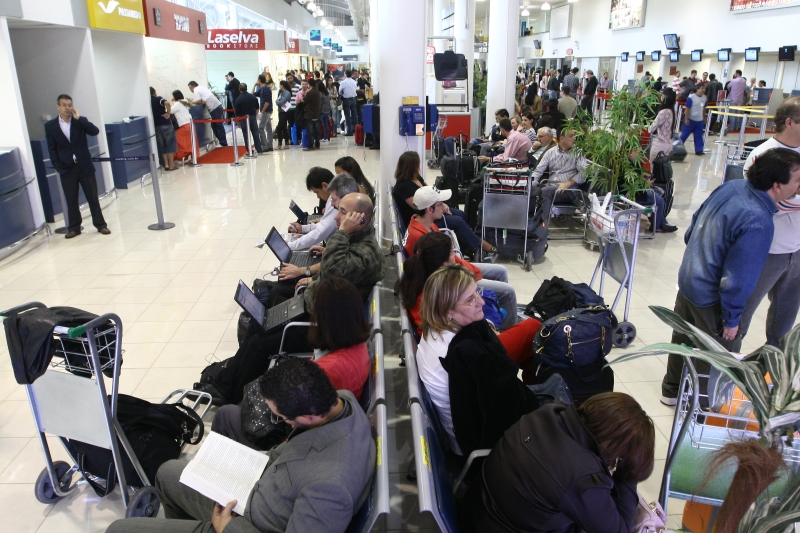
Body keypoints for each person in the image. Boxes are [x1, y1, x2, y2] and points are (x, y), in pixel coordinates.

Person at [109, 359, 374, 533]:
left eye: (280, 418)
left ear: (304, 418)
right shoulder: (340, 401)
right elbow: (293, 453)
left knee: (118, 530)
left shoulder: (329, 489)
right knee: (168, 473)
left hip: (248, 524)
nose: (279, 422)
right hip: (256, 491)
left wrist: (227, 528)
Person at [660, 148, 800, 405]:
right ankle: (702, 409)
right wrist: (732, 319)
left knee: (682, 341)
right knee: (716, 357)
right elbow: (738, 279)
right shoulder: (759, 220)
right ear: (778, 185)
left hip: (689, 281)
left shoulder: (731, 188)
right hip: (710, 298)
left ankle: (670, 391)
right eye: (798, 181)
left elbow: (693, 229)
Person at [211, 277, 372, 448]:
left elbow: (299, 420)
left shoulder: (330, 369)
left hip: (298, 438)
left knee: (225, 414)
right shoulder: (357, 344)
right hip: (323, 426)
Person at [464, 392, 655, 533]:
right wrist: (629, 471)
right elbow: (619, 530)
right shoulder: (583, 479)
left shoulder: (551, 412)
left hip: (479, 508)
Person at [417, 265, 541, 455]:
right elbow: (499, 416)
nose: (481, 302)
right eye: (470, 300)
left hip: (460, 433)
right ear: (447, 311)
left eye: (477, 293)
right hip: (483, 448)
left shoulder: (433, 332)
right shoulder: (464, 353)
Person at [403, 188, 518, 329]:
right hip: (451, 279)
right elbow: (439, 267)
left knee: (500, 271)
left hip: (454, 269)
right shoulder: (418, 237)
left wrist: (471, 270)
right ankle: (508, 329)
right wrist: (470, 275)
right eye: (440, 204)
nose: (444, 206)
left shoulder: (428, 225)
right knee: (508, 292)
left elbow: (450, 258)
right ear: (429, 209)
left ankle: (497, 316)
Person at [738, 98, 800, 348]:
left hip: (796, 249)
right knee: (741, 314)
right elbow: (769, 202)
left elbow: (785, 199)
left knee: (784, 317)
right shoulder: (762, 155)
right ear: (789, 122)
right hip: (767, 250)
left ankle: (772, 369)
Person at [392, 151, 498, 258]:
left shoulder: (416, 178)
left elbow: (430, 191)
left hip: (430, 211)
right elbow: (419, 207)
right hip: (425, 218)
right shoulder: (403, 187)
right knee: (458, 222)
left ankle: (466, 247)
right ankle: (481, 245)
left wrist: (441, 204)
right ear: (412, 167)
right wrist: (440, 208)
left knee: (461, 214)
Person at [44, 94, 110, 239]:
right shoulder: (50, 126)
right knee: (71, 199)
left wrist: (79, 119)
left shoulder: (80, 121)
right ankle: (74, 228)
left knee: (92, 197)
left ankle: (101, 225)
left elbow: (94, 131)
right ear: (58, 106)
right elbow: (52, 148)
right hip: (67, 168)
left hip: (84, 165)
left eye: (69, 105)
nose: (67, 108)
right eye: (64, 105)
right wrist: (58, 166)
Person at [288, 171, 359, 251]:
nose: (332, 204)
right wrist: (303, 228)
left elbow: (321, 232)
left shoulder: (339, 204)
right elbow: (324, 226)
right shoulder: (336, 200)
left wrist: (290, 245)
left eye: (317, 192)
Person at [188, 81, 228, 147]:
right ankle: (222, 142)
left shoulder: (196, 89)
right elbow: (203, 101)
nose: (190, 90)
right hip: (216, 107)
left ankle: (223, 143)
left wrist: (191, 102)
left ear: (193, 86)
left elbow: (200, 101)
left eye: (190, 88)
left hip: (214, 108)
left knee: (218, 126)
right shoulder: (202, 88)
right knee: (215, 125)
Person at [150, 87, 177, 171]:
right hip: (165, 124)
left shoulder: (147, 101)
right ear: (154, 92)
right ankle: (171, 165)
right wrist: (168, 113)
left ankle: (166, 164)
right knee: (170, 144)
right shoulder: (158, 99)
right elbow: (167, 103)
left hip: (156, 125)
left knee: (162, 146)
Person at [232, 83, 262, 154]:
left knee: (246, 135)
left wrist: (238, 121)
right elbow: (257, 108)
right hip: (252, 117)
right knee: (255, 134)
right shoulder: (253, 97)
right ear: (247, 88)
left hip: (243, 119)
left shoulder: (238, 99)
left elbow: (237, 113)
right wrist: (254, 115)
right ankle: (259, 149)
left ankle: (249, 151)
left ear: (239, 89)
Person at [649, 88, 676, 162]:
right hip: (668, 144)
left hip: (660, 144)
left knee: (654, 170)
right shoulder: (672, 111)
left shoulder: (663, 112)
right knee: (661, 170)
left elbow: (651, 128)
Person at [680, 84, 707, 156]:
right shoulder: (691, 97)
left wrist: (704, 118)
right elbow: (687, 108)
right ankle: (677, 147)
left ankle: (699, 150)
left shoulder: (704, 98)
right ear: (697, 89)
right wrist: (687, 118)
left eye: (704, 88)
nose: (703, 90)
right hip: (690, 119)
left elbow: (704, 108)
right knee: (684, 135)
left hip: (699, 120)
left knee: (698, 135)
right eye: (702, 88)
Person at [169, 90, 193, 163]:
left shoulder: (178, 104)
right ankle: (192, 158)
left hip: (184, 125)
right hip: (189, 124)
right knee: (190, 142)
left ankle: (179, 156)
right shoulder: (184, 102)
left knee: (179, 141)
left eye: (173, 96)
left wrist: (167, 105)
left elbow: (170, 111)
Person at [254, 74, 273, 153]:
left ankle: (265, 146)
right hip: (266, 111)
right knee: (268, 128)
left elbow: (267, 102)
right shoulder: (262, 89)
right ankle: (269, 145)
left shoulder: (265, 89)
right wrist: (254, 86)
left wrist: (262, 112)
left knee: (261, 128)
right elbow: (253, 95)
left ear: (259, 80)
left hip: (266, 111)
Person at [302, 80, 321, 151]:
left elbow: (303, 100)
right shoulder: (317, 91)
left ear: (309, 84)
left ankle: (310, 145)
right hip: (316, 113)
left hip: (310, 113)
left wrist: (302, 98)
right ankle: (317, 143)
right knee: (316, 129)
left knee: (310, 130)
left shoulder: (311, 92)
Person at [339, 69, 358, 136]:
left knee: (347, 116)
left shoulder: (343, 82)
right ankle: (356, 130)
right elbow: (356, 89)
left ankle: (349, 131)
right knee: (354, 115)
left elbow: (340, 92)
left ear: (345, 74)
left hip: (346, 99)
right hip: (353, 99)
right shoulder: (354, 82)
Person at [274, 80, 292, 150]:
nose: (279, 86)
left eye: (280, 85)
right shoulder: (281, 92)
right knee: (284, 128)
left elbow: (281, 101)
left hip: (285, 112)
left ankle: (280, 143)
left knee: (279, 128)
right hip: (280, 111)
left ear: (283, 85)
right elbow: (277, 101)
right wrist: (278, 102)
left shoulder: (287, 93)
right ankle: (286, 143)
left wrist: (278, 102)